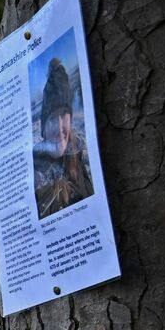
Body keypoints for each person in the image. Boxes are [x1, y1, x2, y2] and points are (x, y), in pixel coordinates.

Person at [33, 57, 95, 217]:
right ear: (44, 129)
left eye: (63, 115)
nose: (60, 127)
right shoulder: (35, 170)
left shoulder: (79, 154)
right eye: (53, 119)